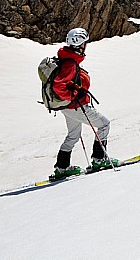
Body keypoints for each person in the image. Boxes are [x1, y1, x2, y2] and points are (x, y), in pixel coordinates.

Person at [49, 27, 119, 180]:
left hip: (67, 107)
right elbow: (58, 86)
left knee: (73, 135)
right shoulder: (70, 63)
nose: (86, 46)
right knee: (104, 124)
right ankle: (99, 160)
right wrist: (75, 94)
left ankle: (62, 168)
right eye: (84, 43)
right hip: (75, 106)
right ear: (79, 44)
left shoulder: (67, 59)